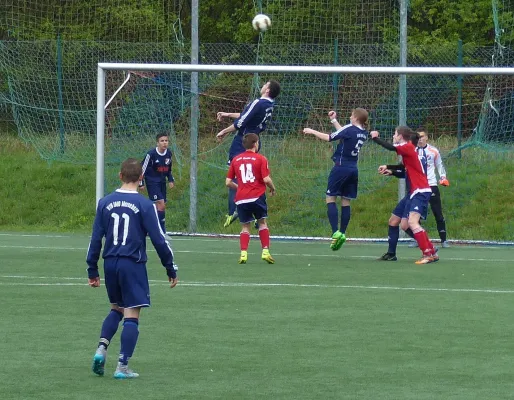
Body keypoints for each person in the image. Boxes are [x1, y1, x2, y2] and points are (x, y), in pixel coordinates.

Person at [86, 158, 178, 379]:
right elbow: (159, 239)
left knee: (116, 308)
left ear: (119, 176)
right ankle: (122, 366)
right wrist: (170, 267)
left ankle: (101, 349)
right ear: (141, 179)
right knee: (131, 314)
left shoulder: (104, 202)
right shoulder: (145, 205)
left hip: (110, 263)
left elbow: (95, 238)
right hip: (132, 264)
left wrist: (92, 269)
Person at [216, 80, 281, 228]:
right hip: (255, 141)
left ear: (268, 90)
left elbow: (241, 122)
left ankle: (234, 210)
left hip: (242, 142)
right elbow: (246, 115)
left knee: (234, 177)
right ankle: (259, 216)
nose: (263, 85)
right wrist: (227, 114)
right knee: (254, 177)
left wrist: (223, 131)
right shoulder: (269, 105)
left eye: (265, 84)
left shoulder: (258, 102)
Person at [303, 108, 369, 251]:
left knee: (330, 198)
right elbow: (343, 133)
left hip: (340, 168)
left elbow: (330, 137)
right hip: (353, 169)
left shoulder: (350, 129)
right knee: (346, 200)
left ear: (356, 118)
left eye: (352, 115)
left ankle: (335, 232)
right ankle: (343, 233)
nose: (350, 117)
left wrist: (312, 131)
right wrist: (334, 120)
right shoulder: (363, 132)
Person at [370, 127, 439, 264]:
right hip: (414, 192)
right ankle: (393, 253)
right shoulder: (410, 150)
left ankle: (428, 252)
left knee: (412, 223)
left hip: (420, 191)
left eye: (395, 134)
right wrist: (390, 169)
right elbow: (404, 169)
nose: (394, 136)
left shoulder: (407, 147)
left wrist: (375, 138)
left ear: (401, 136)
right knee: (396, 222)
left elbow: (390, 147)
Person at [225, 133, 277, 264]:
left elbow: (228, 182)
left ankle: (243, 254)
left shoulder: (236, 159)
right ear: (256, 144)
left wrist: (240, 188)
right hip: (257, 196)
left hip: (241, 198)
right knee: (262, 223)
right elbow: (266, 179)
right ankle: (265, 251)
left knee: (245, 227)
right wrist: (272, 188)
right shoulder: (261, 158)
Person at [409, 127, 450, 248]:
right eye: (418, 137)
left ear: (427, 137)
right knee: (416, 212)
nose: (420, 139)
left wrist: (443, 177)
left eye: (422, 137)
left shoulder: (433, 151)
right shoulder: (413, 150)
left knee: (437, 212)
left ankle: (444, 240)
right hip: (417, 186)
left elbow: (439, 165)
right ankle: (417, 239)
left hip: (431, 185)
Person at [140, 133, 175, 234]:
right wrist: (141, 182)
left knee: (157, 207)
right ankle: (161, 232)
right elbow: (143, 168)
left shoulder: (168, 153)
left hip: (162, 182)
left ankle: (148, 227)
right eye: (162, 141)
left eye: (166, 141)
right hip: (152, 182)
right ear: (157, 143)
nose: (164, 143)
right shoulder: (151, 154)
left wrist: (171, 179)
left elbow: (169, 169)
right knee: (161, 204)